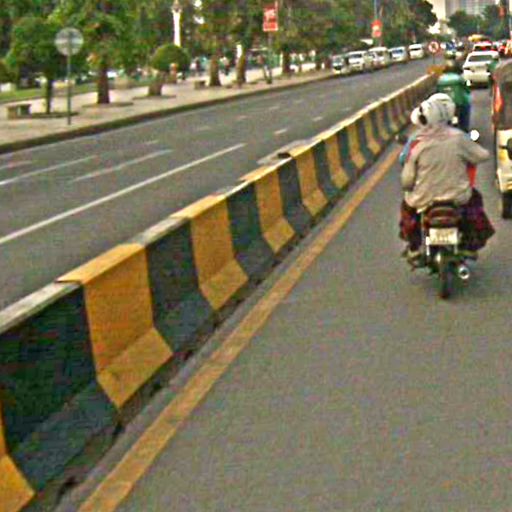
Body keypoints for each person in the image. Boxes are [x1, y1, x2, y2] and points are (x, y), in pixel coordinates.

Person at [399, 93, 495, 262]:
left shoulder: (417, 145)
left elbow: (407, 182)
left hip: (424, 200)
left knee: (407, 209)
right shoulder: (458, 138)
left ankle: (414, 246)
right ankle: (471, 244)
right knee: (475, 202)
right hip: (457, 197)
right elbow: (482, 155)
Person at [436, 59, 472, 132]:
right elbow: (467, 89)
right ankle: (464, 129)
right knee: (466, 108)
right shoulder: (459, 78)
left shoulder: (440, 80)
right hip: (460, 103)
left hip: (445, 105)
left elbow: (438, 91)